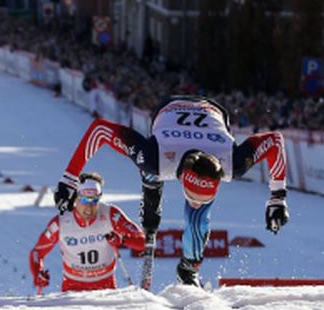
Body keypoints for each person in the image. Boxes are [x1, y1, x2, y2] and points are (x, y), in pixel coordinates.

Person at [53, 95, 289, 288]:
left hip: (211, 115)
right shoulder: (155, 157)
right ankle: (151, 218)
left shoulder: (231, 162)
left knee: (198, 219)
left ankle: (188, 270)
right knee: (151, 175)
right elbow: (101, 129)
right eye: (193, 196)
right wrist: (70, 179)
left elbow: (276, 140)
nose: (195, 202)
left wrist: (277, 198)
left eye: (204, 197)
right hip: (169, 118)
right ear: (181, 178)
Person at [29, 172, 145, 292]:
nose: (89, 207)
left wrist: (123, 240)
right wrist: (38, 273)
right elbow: (37, 252)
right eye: (84, 200)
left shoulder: (111, 214)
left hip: (106, 288)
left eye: (94, 200)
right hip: (72, 288)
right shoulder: (61, 222)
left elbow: (144, 242)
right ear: (76, 198)